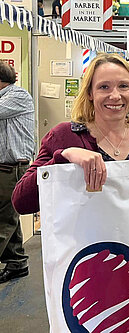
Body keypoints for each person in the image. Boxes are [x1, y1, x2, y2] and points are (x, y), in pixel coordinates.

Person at [12, 53, 129, 216]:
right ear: (90, 93)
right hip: (87, 251)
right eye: (104, 87)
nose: (115, 96)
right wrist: (64, 156)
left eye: (123, 86)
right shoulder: (64, 135)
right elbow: (21, 202)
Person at [0, 61, 34, 283]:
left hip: (12, 168)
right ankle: (17, 262)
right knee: (8, 216)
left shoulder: (18, 95)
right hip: (7, 167)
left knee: (3, 220)